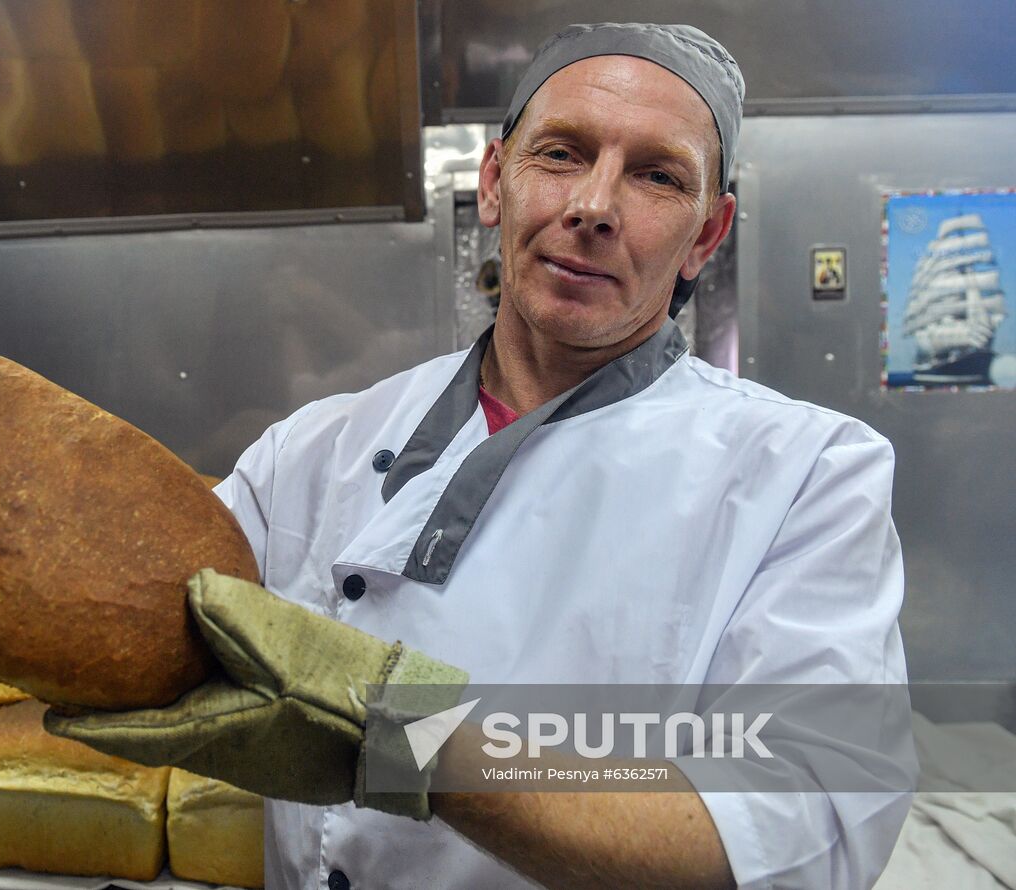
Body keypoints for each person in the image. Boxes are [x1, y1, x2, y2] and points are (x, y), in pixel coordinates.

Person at [48, 22, 914, 889]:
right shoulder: (315, 449)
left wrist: (405, 729)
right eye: (563, 154)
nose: (594, 206)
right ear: (496, 181)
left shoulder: (804, 475)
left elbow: (804, 828)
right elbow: (122, 609)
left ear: (705, 235)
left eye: (657, 175)